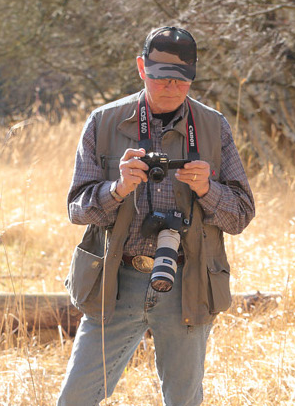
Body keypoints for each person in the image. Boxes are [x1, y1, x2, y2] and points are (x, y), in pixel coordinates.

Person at [58, 26, 256, 405]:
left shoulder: (214, 127)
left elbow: (241, 216)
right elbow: (77, 209)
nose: (170, 87)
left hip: (188, 281)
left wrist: (207, 189)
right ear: (140, 68)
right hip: (115, 282)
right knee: (74, 399)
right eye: (160, 76)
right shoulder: (104, 122)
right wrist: (117, 189)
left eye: (181, 80)